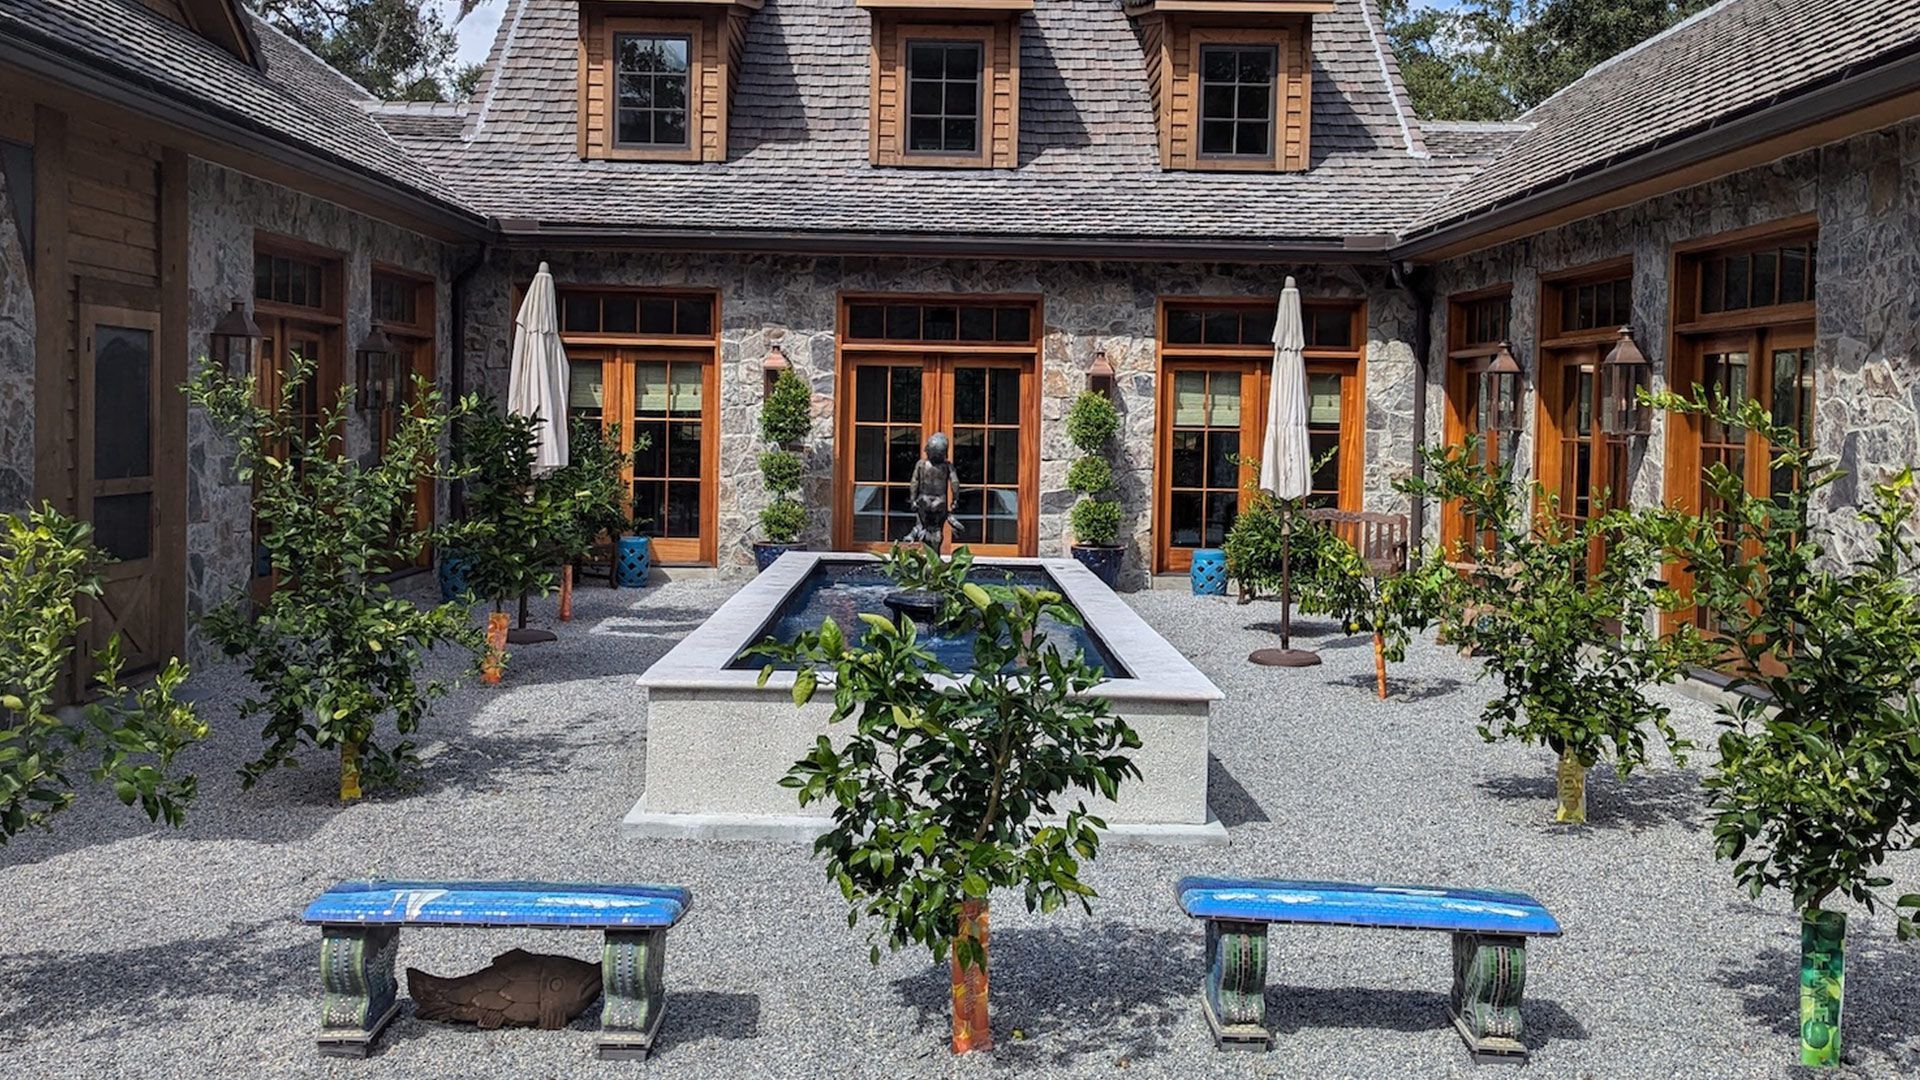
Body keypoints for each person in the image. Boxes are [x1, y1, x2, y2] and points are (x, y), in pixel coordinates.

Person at [904, 432, 958, 547]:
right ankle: (935, 554)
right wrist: (955, 499)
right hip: (940, 502)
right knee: (938, 528)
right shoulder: (947, 466)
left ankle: (917, 536)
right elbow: (955, 482)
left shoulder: (921, 464)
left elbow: (914, 482)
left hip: (924, 500)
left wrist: (912, 499)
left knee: (922, 525)